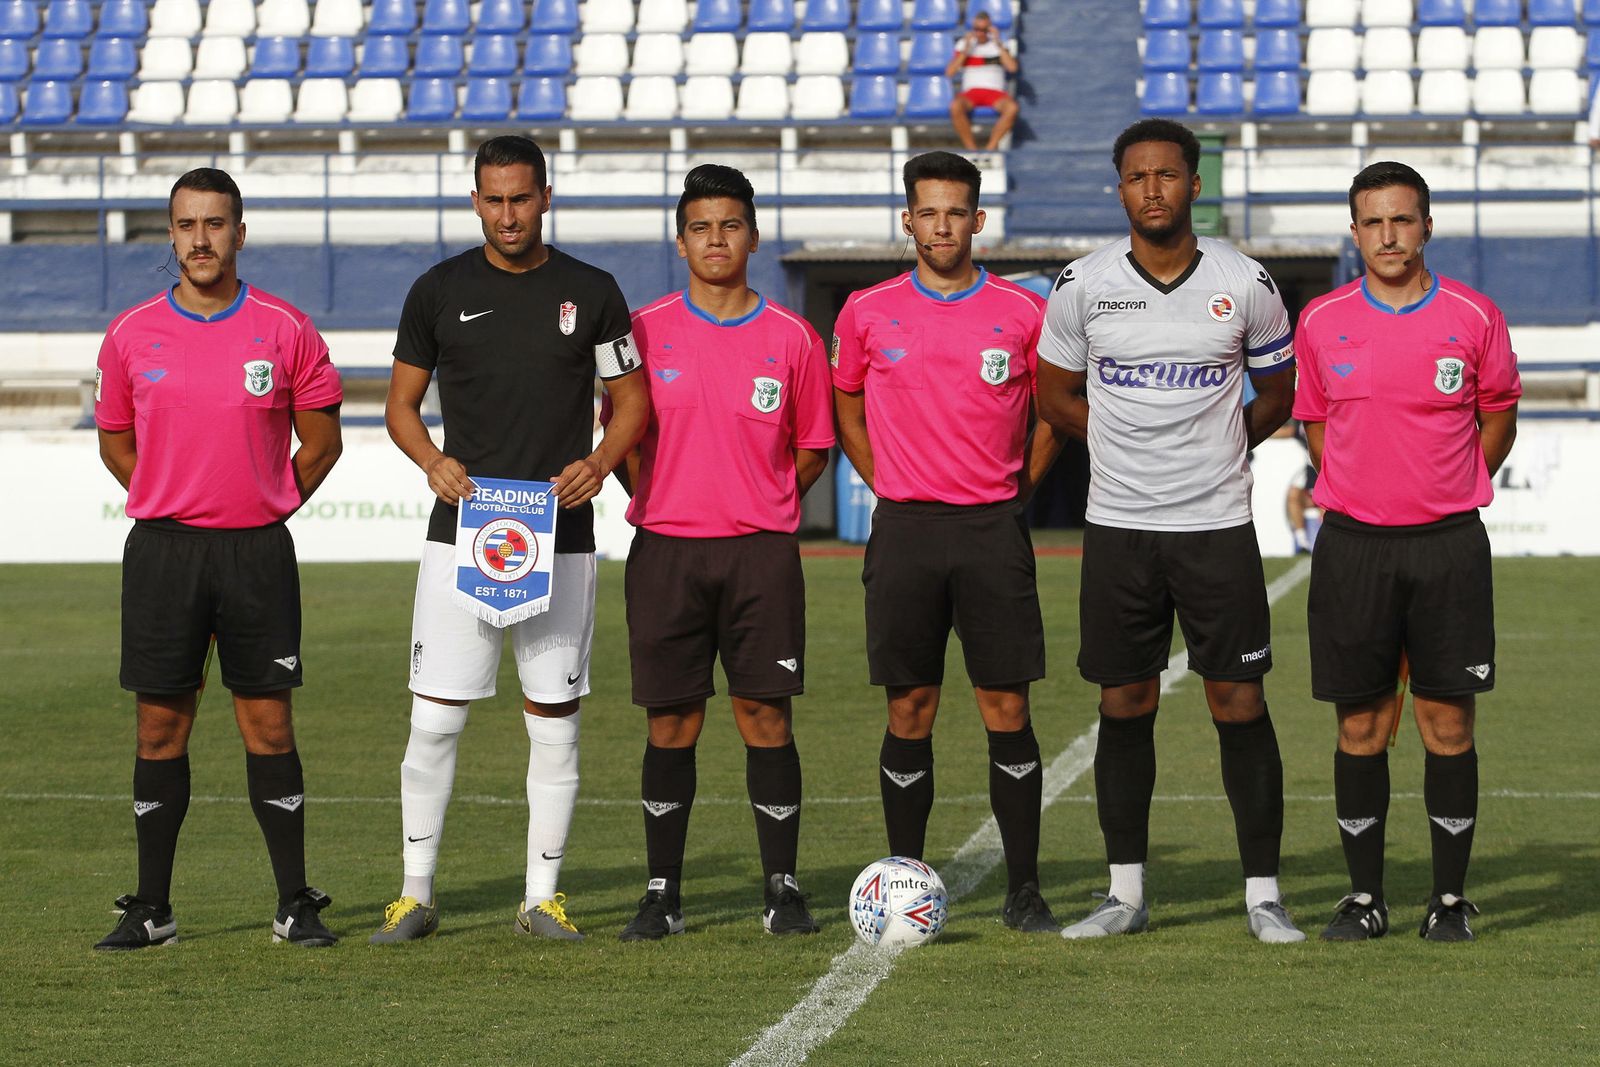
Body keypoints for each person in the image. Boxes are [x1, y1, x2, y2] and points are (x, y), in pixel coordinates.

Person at [370, 135, 649, 944]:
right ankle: (415, 893)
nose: (507, 214)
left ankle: (542, 897)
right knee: (436, 718)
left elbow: (629, 402)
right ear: (474, 202)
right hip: (462, 532)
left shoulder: (591, 292)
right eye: (493, 200)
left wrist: (601, 462)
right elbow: (399, 406)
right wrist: (432, 460)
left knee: (553, 716)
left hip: (559, 535)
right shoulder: (438, 289)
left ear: (546, 196)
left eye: (521, 198)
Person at [1035, 118, 1304, 943]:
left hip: (1216, 525)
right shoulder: (1081, 284)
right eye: (1136, 176)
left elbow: (1279, 391)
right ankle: (1125, 893)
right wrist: (1121, 442)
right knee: (1125, 699)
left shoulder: (1244, 280)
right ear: (1120, 187)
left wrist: (1223, 441)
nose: (1152, 188)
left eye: (1168, 174)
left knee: (1239, 699)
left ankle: (1263, 894)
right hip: (1119, 527)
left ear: (1194, 184)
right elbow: (1053, 396)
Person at [92, 167, 345, 950]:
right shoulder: (131, 333)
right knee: (159, 728)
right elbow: (113, 439)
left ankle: (293, 903)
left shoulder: (285, 326)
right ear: (170, 236)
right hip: (165, 551)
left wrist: (263, 500)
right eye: (186, 224)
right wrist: (174, 495)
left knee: (268, 725)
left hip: (256, 552)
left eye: (215, 223)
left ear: (240, 231)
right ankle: (153, 908)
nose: (201, 238)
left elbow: (324, 439)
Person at [832, 150, 1067, 934]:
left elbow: (1052, 413)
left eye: (955, 211)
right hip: (906, 529)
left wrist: (1015, 488)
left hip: (992, 528)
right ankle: (904, 877)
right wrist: (889, 479)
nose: (942, 225)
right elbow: (848, 408)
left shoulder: (1022, 311)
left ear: (978, 219)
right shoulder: (866, 310)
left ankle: (1024, 887)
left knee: (1007, 703)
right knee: (911, 706)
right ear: (908, 219)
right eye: (927, 212)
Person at [1293, 161, 1520, 943]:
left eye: (1402, 219)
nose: (1388, 235)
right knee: (1360, 725)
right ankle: (1364, 898)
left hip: (1449, 547)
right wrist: (1363, 486)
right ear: (1354, 233)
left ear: (1426, 225)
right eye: (1373, 222)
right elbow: (1317, 425)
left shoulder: (1475, 315)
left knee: (1446, 724)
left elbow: (1497, 417)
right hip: (1354, 547)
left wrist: (1448, 486)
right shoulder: (1321, 320)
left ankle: (1449, 900)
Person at [610, 165, 834, 941]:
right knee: (670, 723)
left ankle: (783, 886)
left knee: (764, 716)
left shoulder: (793, 336)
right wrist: (666, 494)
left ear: (753, 237)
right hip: (666, 550)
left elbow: (812, 448)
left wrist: (759, 496)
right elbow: (619, 439)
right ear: (680, 242)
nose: (716, 239)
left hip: (759, 556)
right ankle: (662, 891)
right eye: (701, 226)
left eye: (730, 225)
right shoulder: (638, 332)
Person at [946, 10, 1020, 153]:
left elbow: (1012, 67)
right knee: (955, 106)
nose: (980, 33)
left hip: (995, 93)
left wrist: (998, 44)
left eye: (984, 30)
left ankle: (990, 149)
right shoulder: (963, 45)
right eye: (977, 29)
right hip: (971, 93)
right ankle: (972, 150)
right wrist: (966, 50)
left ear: (990, 29)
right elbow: (950, 72)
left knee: (1012, 108)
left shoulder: (999, 45)